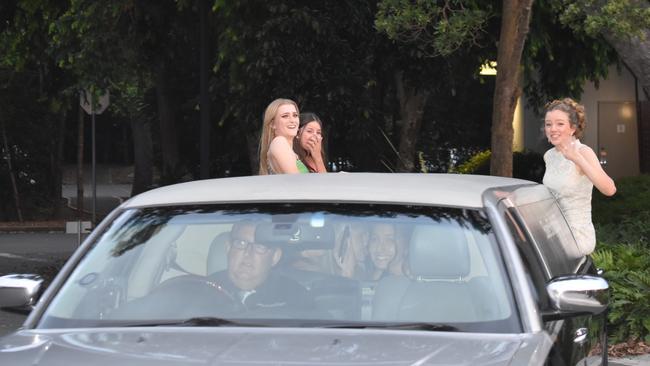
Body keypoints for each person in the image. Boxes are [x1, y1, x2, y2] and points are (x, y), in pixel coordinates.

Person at [543, 98, 616, 256]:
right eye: (548, 124)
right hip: (552, 234)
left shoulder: (583, 152)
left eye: (560, 123)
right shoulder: (549, 156)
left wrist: (577, 159)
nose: (552, 129)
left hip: (576, 238)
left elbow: (610, 189)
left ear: (573, 128)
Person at [208, 221, 313, 313]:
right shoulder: (203, 290)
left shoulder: (295, 296)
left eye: (260, 246)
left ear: (275, 257)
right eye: (241, 243)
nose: (248, 253)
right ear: (228, 248)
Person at [258, 98, 309, 175]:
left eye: (295, 115)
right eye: (285, 116)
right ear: (272, 124)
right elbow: (297, 181)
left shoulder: (286, 147)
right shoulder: (279, 142)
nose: (292, 120)